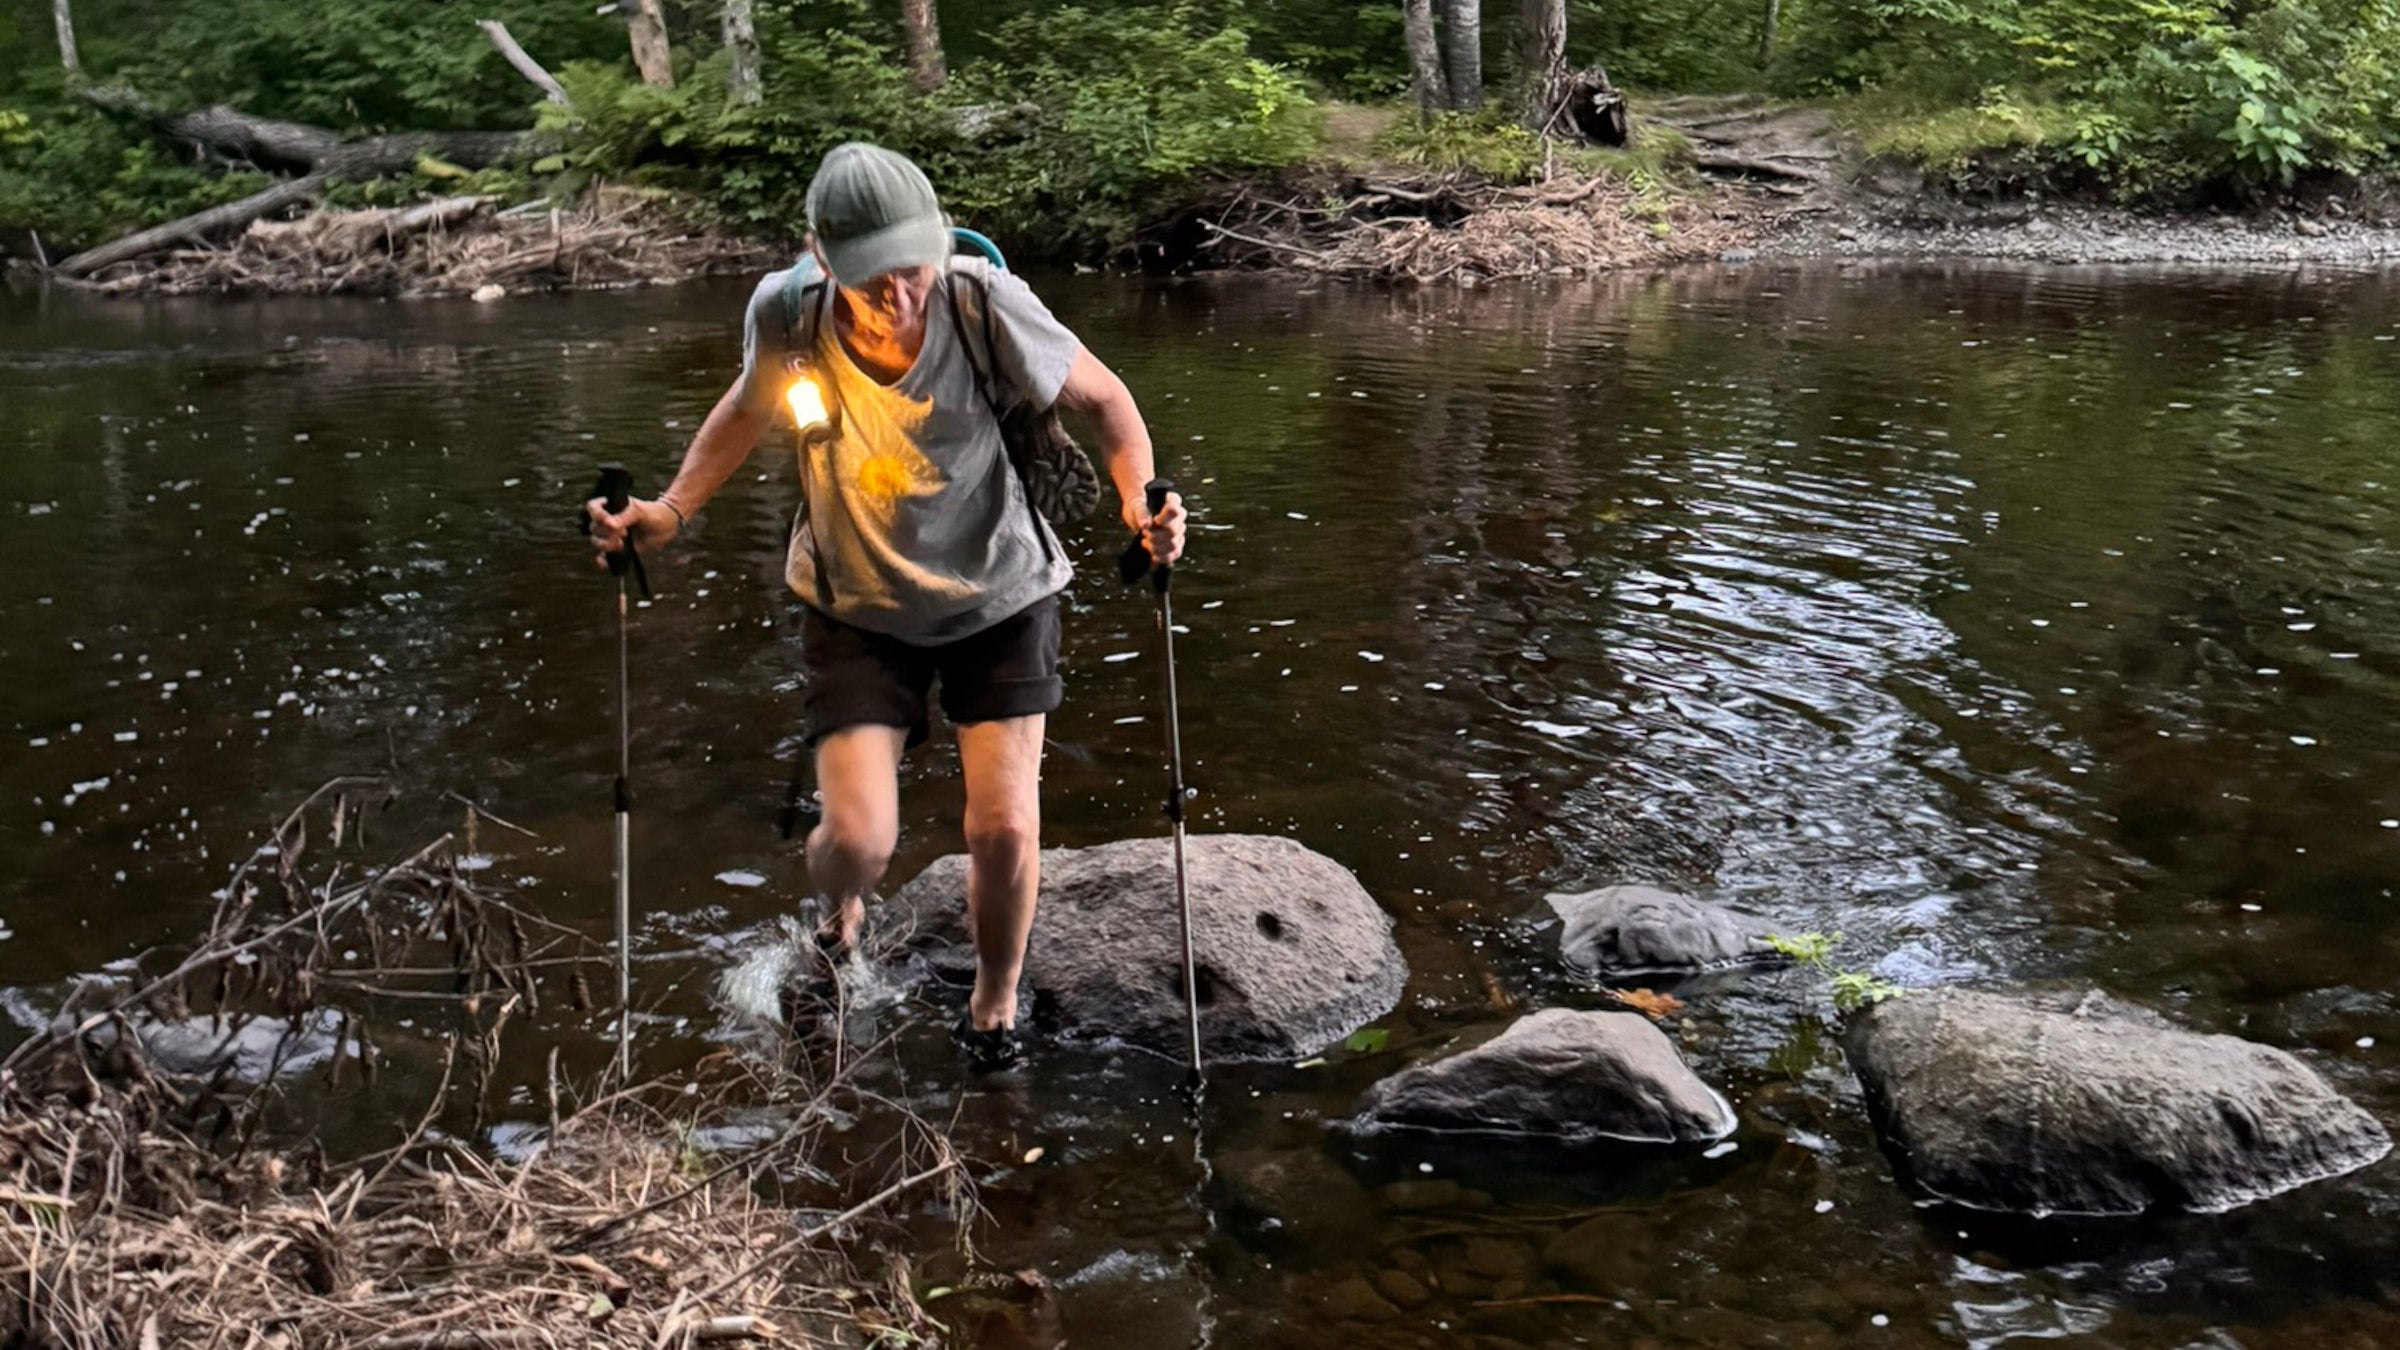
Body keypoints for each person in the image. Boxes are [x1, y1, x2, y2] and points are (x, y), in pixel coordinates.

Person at [585, 142, 1185, 1067]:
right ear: (822, 257)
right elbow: (745, 409)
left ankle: (993, 1008)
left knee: (1004, 827)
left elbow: (1108, 402)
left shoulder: (987, 302)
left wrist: (1142, 503)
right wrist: (668, 511)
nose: (898, 296)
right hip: (856, 603)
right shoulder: (787, 313)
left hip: (1003, 592)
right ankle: (843, 910)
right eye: (872, 279)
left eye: (911, 269)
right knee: (857, 843)